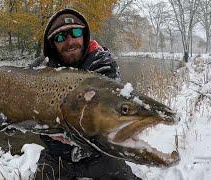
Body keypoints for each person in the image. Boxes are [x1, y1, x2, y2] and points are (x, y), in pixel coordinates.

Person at [33, 8, 141, 180]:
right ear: (53, 44)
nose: (69, 41)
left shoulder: (102, 63)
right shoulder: (40, 70)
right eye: (60, 37)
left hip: (99, 155)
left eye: (75, 32)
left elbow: (108, 116)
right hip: (58, 156)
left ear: (84, 35)